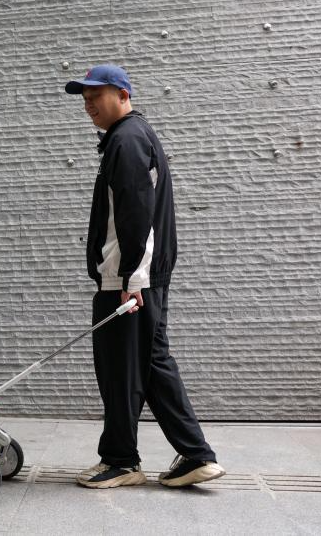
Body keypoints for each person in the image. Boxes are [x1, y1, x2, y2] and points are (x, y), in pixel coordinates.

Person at [64, 64, 226, 489]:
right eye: (84, 100)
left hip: (128, 280)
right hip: (137, 278)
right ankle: (195, 455)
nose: (88, 106)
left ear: (122, 93)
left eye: (95, 97)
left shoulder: (129, 140)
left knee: (120, 369)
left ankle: (121, 460)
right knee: (151, 365)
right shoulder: (130, 138)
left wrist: (132, 282)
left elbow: (139, 218)